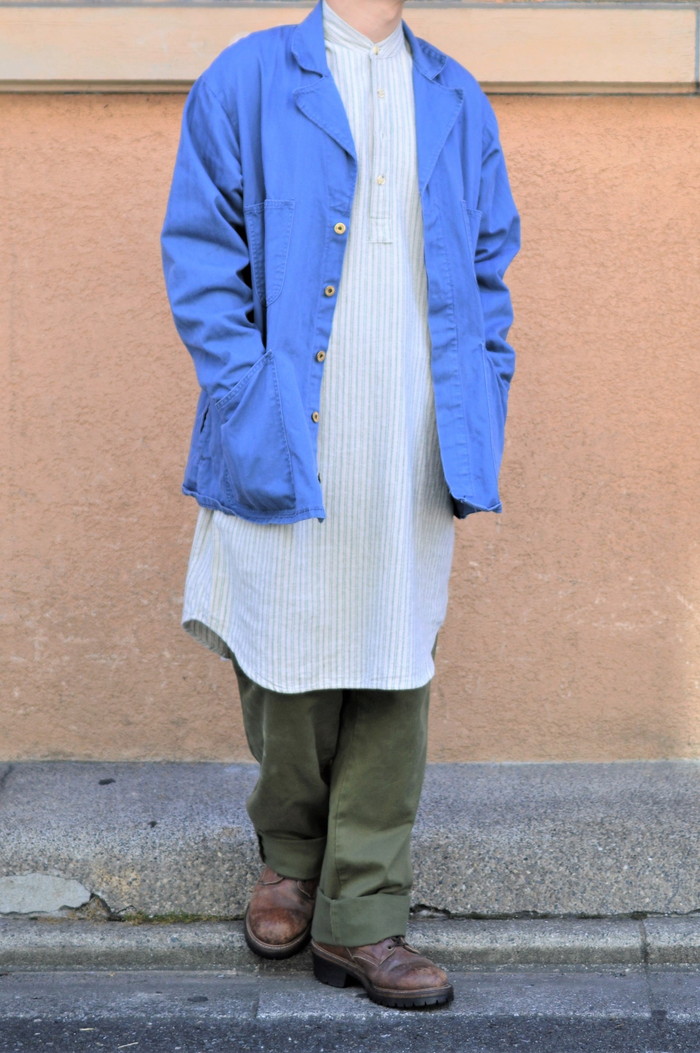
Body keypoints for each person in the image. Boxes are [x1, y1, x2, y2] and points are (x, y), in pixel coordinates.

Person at [161, 0, 519, 1011]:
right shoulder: (247, 79)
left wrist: (483, 388)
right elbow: (202, 256)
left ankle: (362, 912)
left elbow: (488, 264)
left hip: (411, 431)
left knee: (394, 661)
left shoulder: (454, 96)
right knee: (282, 657)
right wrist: (247, 394)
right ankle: (290, 857)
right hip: (286, 424)